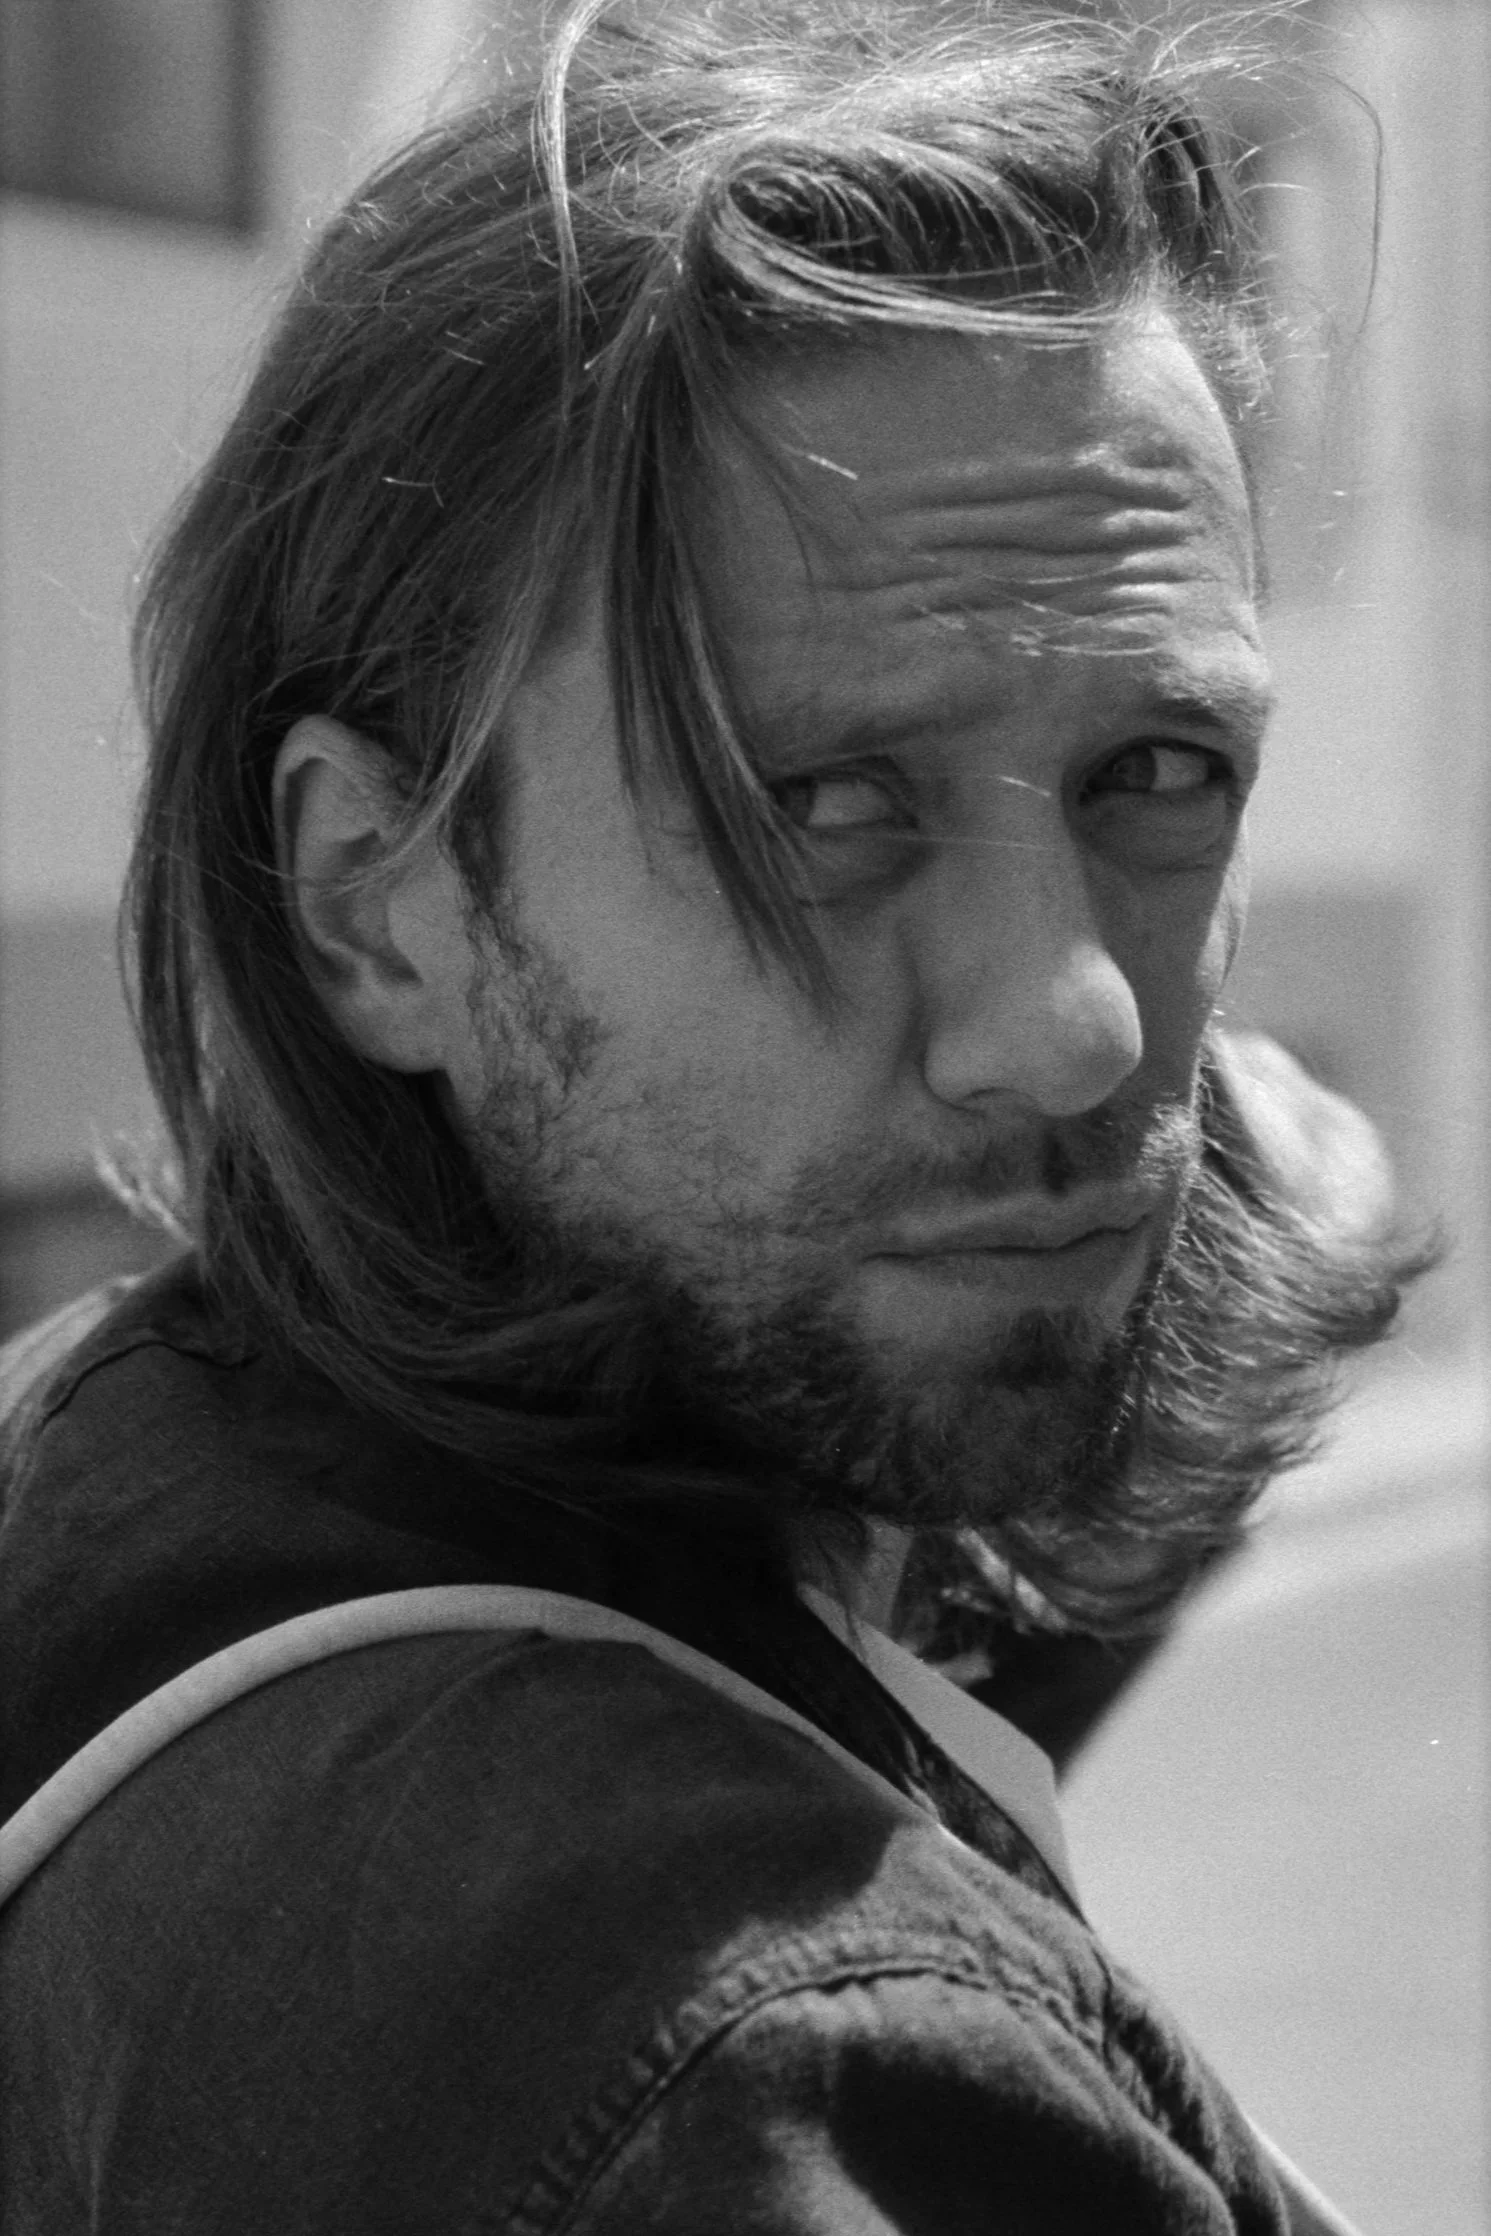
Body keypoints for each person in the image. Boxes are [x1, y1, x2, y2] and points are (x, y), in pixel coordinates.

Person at [0, 2, 1425, 2226]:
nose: (1067, 1025)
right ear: (378, 906)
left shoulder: (133, 1457)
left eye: (1158, 776)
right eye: (827, 807)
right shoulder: (751, 2063)